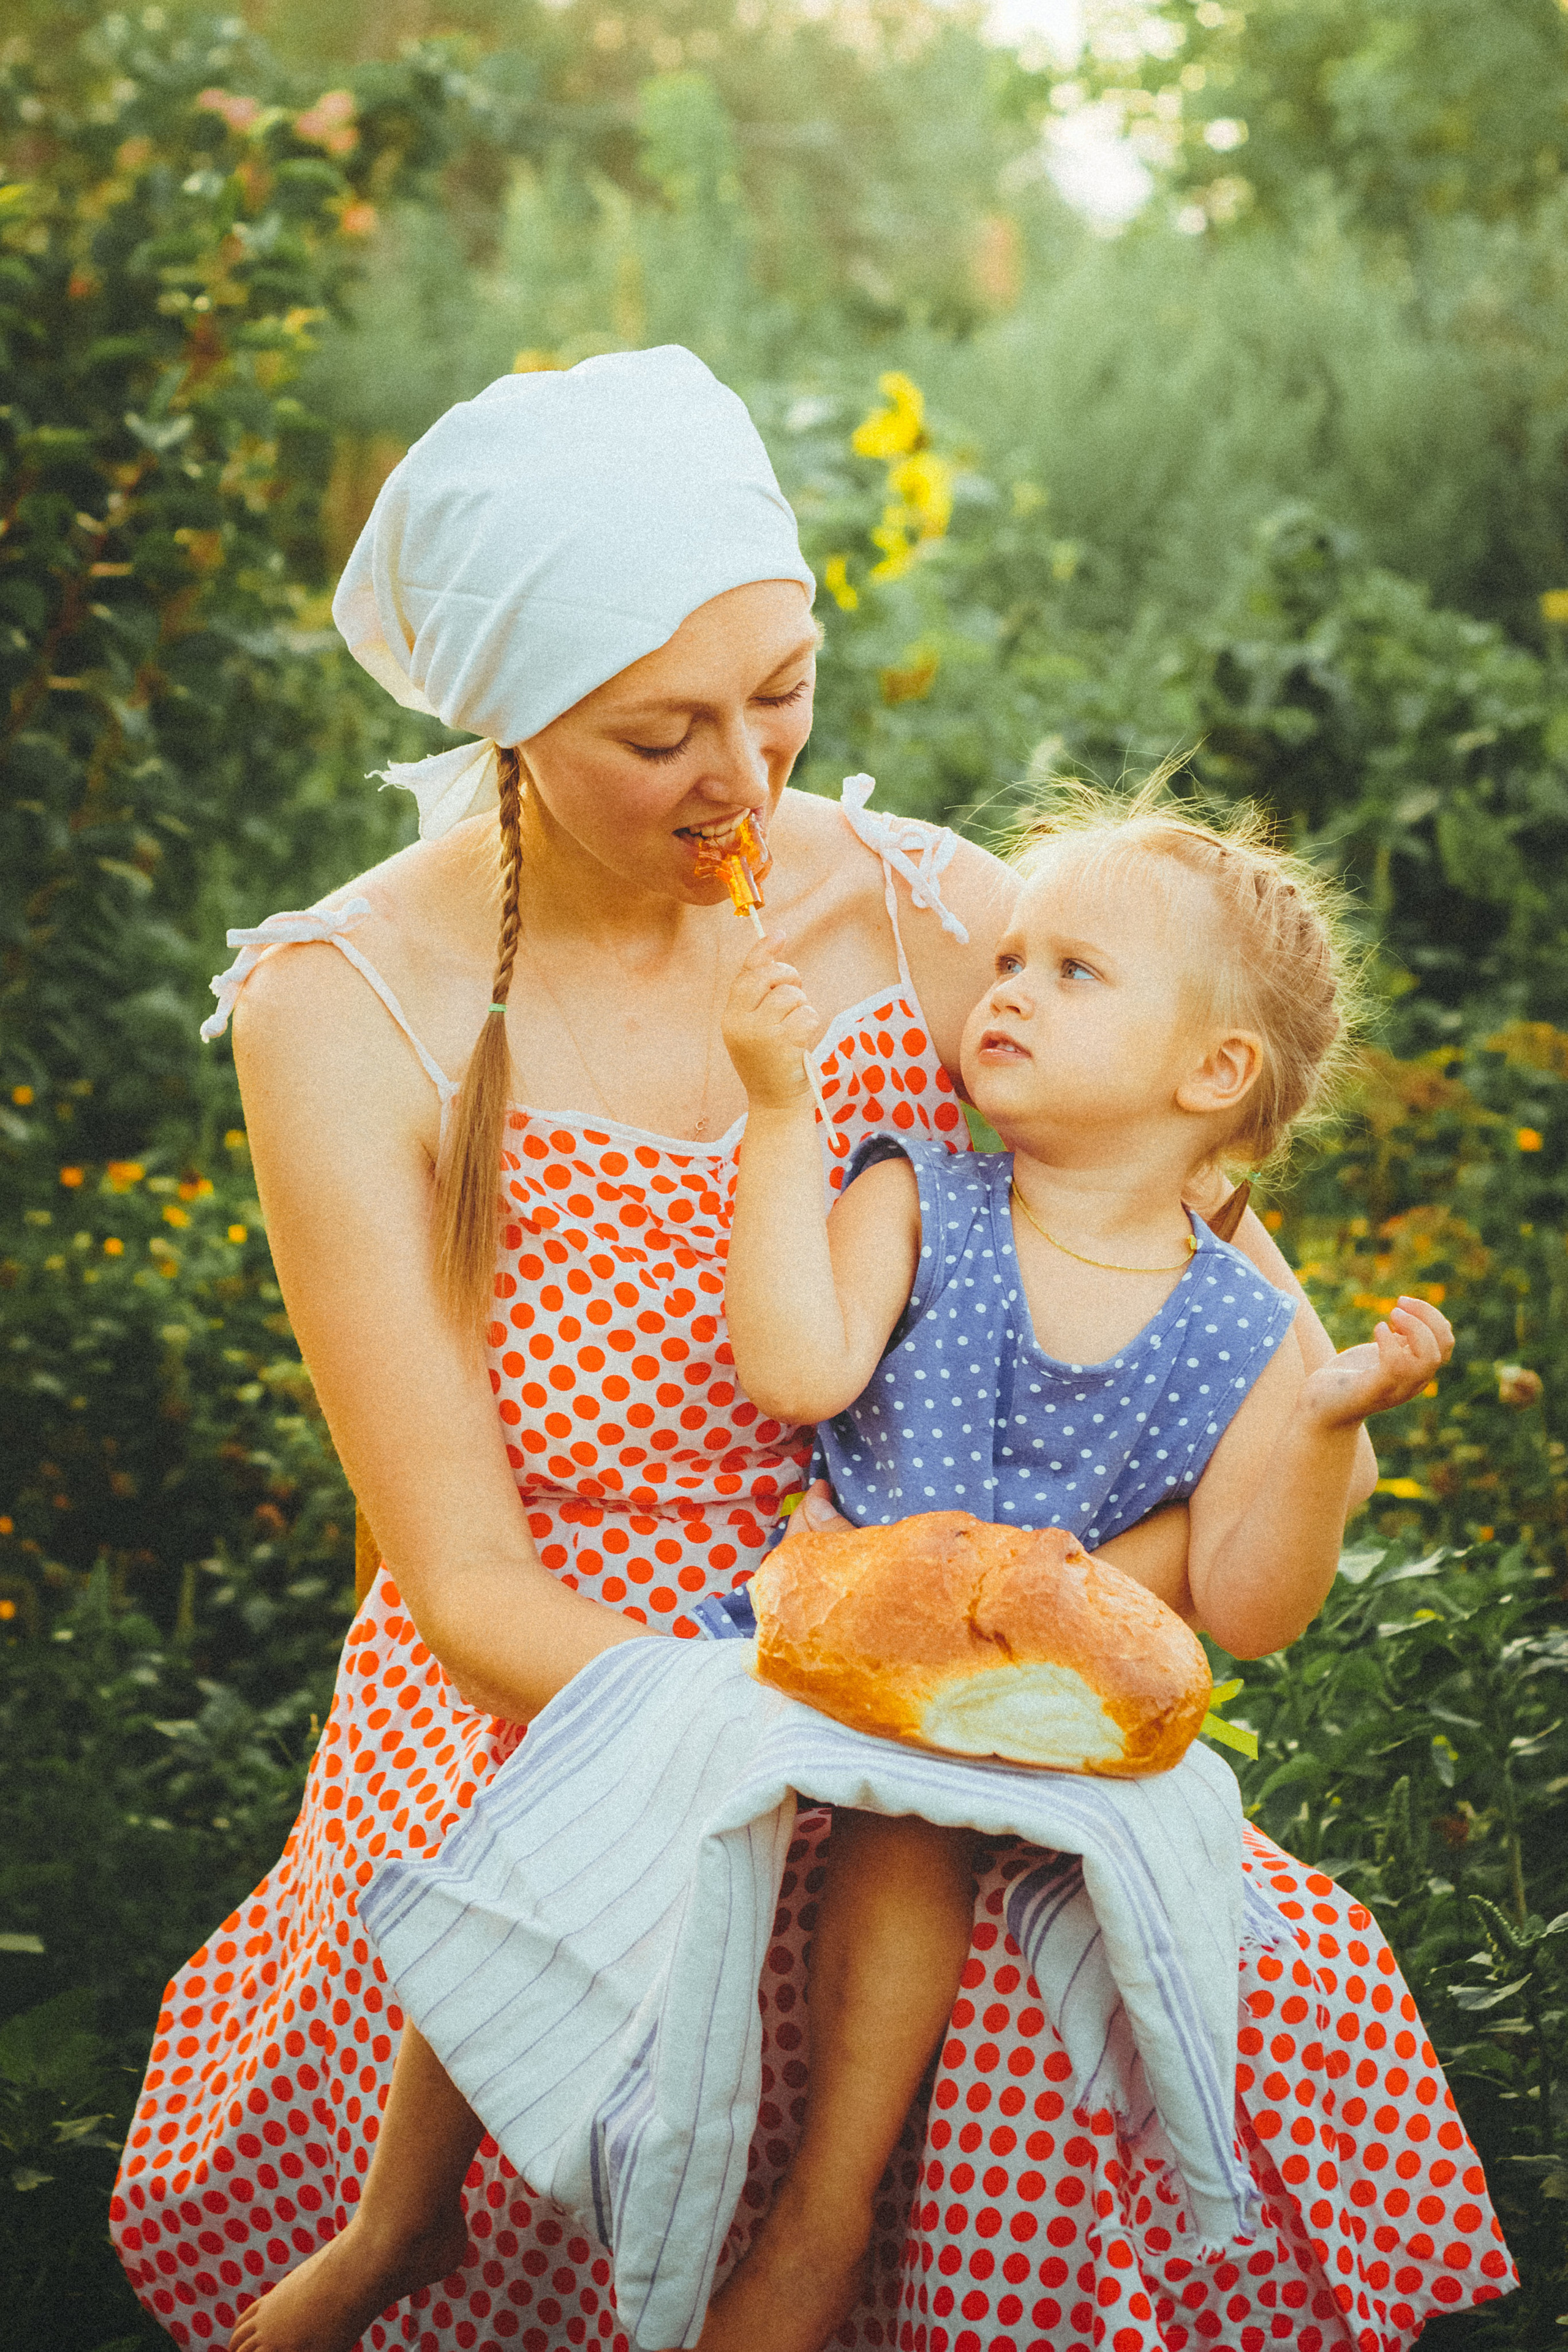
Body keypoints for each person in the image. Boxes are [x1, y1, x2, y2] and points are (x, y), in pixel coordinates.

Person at [104, 345, 1508, 2352]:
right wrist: (794, 1724)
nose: (751, 781)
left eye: (783, 692)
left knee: (1127, 1979)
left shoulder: (947, 914)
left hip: (945, 1631)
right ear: (509, 715)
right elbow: (463, 1580)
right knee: (631, 1934)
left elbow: (1218, 1320)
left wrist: (1022, 1653)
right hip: (562, 1676)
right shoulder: (344, 1006)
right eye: (661, 733)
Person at [692, 781, 1458, 2352]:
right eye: (1012, 956)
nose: (1009, 986)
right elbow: (792, 1368)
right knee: (907, 1817)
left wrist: (1318, 1425)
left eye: (1072, 971)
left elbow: (1247, 1607)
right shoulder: (921, 1194)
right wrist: (782, 1114)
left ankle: (871, 2230)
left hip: (1040, 1718)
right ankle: (822, 2211)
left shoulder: (1242, 1329)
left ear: (1212, 1072)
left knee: (1036, 1843)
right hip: (846, 1646)